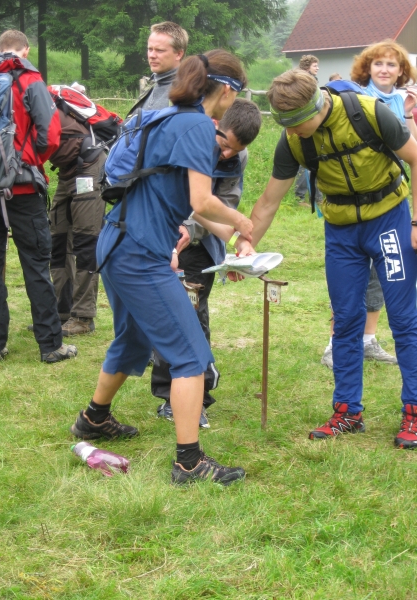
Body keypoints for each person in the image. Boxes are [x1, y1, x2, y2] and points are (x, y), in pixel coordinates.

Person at [70, 50, 255, 485]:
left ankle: (93, 419)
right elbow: (201, 200)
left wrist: (232, 236)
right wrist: (242, 221)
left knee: (133, 338)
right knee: (190, 355)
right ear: (228, 90)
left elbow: (187, 202)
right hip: (140, 254)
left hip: (116, 242)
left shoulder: (169, 116)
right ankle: (189, 462)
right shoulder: (197, 126)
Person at [243, 68, 417, 449]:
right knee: (346, 319)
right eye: (285, 125)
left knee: (404, 319)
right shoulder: (293, 140)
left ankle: (415, 410)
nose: (291, 132)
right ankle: (347, 411)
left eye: (296, 123)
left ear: (316, 107)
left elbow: (416, 158)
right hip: (341, 231)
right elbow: (269, 201)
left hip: (389, 220)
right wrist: (246, 246)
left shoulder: (369, 113)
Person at [0, 30, 77, 363]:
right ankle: (50, 345)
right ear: (25, 50)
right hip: (23, 188)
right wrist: (29, 163)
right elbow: (51, 134)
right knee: (36, 263)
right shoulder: (29, 80)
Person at [153, 98, 262, 427]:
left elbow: (224, 203)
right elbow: (167, 192)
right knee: (167, 317)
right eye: (224, 145)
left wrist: (233, 239)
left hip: (201, 245)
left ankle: (196, 397)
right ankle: (170, 395)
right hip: (164, 235)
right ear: (216, 125)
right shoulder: (187, 137)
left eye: (236, 150)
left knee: (193, 314)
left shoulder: (238, 156)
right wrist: (176, 231)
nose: (227, 154)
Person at [321, 40, 417, 369]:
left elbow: (413, 149)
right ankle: (335, 343)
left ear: (401, 71)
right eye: (379, 64)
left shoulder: (400, 101)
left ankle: (368, 339)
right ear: (368, 68)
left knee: (383, 275)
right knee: (350, 282)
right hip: (353, 205)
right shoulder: (357, 98)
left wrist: (408, 112)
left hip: (391, 201)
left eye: (392, 65)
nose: (385, 70)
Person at [48, 87, 107, 337]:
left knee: (85, 241)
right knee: (58, 240)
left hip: (89, 165)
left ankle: (83, 316)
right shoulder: (19, 104)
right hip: (68, 170)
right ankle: (62, 311)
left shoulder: (32, 103)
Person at [128, 21, 188, 114]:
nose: (152, 55)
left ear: (179, 54)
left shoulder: (187, 92)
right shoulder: (151, 85)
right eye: (150, 49)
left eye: (159, 50)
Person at [295, 55, 322, 206]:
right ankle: (299, 198)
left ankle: (318, 197)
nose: (317, 68)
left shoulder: (312, 81)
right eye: (314, 65)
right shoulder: (302, 82)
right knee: (305, 161)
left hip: (314, 123)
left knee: (317, 160)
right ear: (307, 67)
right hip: (304, 123)